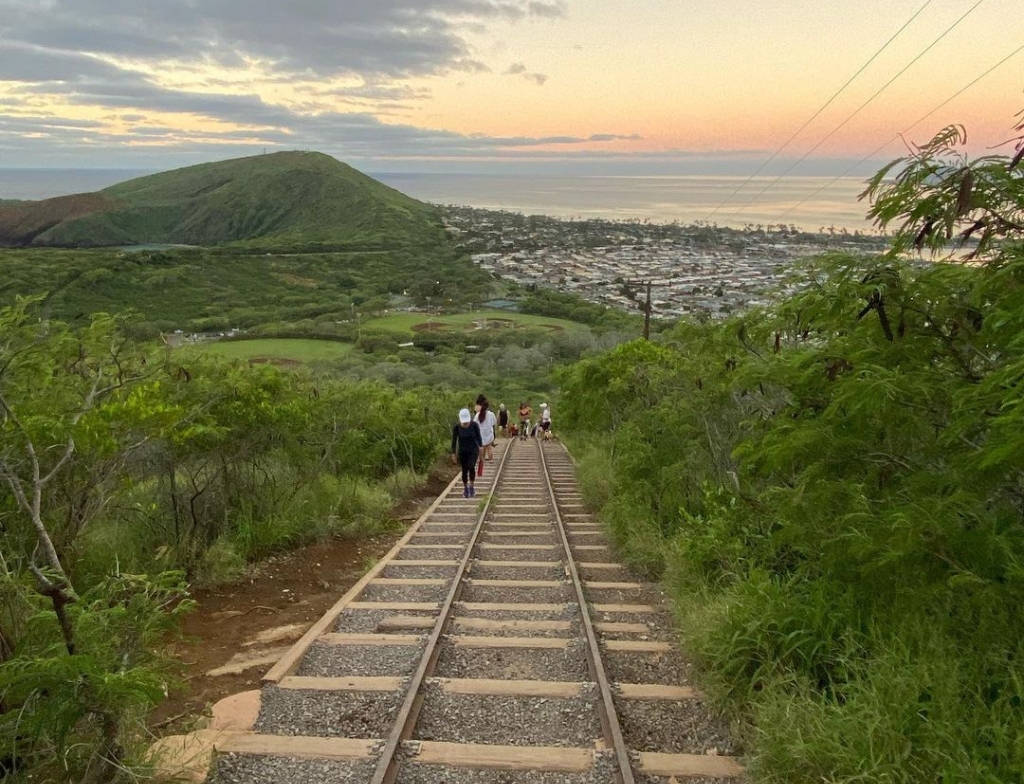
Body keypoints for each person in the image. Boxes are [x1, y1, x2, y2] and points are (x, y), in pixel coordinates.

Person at [451, 408, 482, 497]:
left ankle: (471, 486)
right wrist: (453, 453)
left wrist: (481, 449)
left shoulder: (474, 425)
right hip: (462, 451)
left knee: (471, 466)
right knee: (464, 470)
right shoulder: (457, 427)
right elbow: (454, 441)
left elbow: (479, 438)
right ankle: (465, 488)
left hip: (473, 450)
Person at [475, 394, 498, 461]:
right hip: (489, 434)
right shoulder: (491, 414)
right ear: (487, 406)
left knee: (482, 447)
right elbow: (494, 423)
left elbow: (475, 424)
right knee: (489, 448)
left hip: (481, 434)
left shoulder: (478, 414)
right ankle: (490, 460)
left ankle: (482, 460)